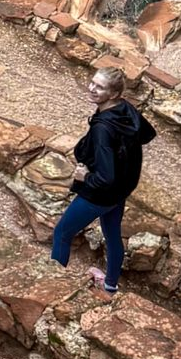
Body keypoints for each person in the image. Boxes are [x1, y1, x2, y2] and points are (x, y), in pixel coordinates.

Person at [52, 66, 156, 295]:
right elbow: (148, 134)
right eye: (92, 82)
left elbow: (104, 177)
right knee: (112, 235)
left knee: (62, 233)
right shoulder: (125, 109)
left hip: (100, 194)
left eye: (99, 87)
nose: (91, 88)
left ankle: (53, 289)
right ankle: (110, 286)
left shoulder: (103, 129)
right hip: (120, 191)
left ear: (114, 93)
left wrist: (85, 176)